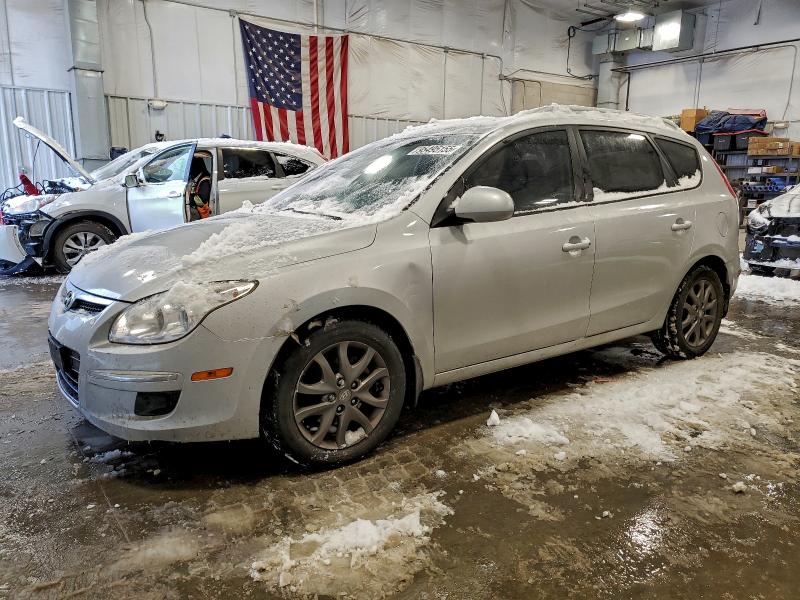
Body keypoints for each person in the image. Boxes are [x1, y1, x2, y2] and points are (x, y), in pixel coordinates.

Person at [188, 153, 212, 220]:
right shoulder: (196, 179)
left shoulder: (204, 180)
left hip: (201, 212)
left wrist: (189, 200)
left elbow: (202, 199)